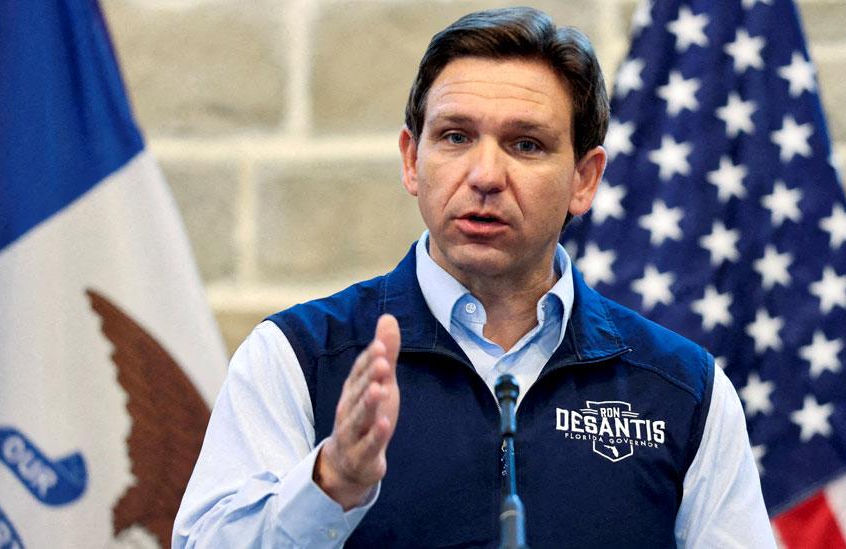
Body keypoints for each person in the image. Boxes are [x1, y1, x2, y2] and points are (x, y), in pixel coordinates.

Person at [173, 7, 775, 548]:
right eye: (456, 137)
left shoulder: (681, 388)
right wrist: (331, 482)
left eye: (526, 145)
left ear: (585, 179)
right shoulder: (299, 357)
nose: (485, 174)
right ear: (413, 160)